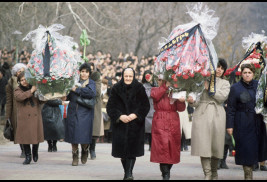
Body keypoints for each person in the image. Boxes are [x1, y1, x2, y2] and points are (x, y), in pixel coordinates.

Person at [187, 58, 230, 180]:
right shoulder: (202, 80)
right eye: (218, 67)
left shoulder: (225, 83)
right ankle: (207, 174)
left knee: (216, 145)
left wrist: (210, 89)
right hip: (202, 113)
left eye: (222, 68)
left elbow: (222, 97)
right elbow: (197, 100)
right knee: (203, 145)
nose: (219, 70)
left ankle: (214, 172)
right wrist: (192, 101)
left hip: (218, 114)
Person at [106, 67, 150, 180]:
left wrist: (135, 115)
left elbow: (145, 106)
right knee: (122, 153)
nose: (128, 78)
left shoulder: (139, 88)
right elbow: (110, 107)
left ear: (134, 76)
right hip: (120, 125)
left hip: (135, 125)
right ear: (122, 76)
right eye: (126, 76)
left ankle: (128, 174)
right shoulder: (116, 88)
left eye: (130, 76)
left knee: (132, 151)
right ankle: (127, 172)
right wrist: (120, 116)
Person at [226, 63, 267, 180]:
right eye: (245, 73)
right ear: (241, 74)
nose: (247, 75)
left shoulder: (259, 86)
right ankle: (248, 177)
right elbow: (231, 108)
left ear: (253, 73)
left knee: (257, 150)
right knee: (246, 151)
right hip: (242, 123)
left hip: (257, 122)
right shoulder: (235, 88)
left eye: (249, 73)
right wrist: (230, 125)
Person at [150, 75, 186, 180]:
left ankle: (167, 171)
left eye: (163, 80)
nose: (161, 82)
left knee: (172, 148)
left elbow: (181, 109)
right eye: (159, 80)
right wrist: (165, 87)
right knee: (162, 148)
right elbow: (155, 96)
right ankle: (165, 174)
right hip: (160, 120)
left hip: (173, 120)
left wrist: (181, 101)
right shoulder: (156, 89)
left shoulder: (176, 90)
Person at [64, 63, 96, 166]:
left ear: (89, 73)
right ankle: (74, 156)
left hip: (85, 112)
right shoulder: (73, 82)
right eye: (82, 71)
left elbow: (91, 93)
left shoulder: (91, 83)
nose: (84, 74)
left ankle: (85, 150)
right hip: (73, 111)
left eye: (86, 72)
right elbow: (68, 95)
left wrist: (77, 89)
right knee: (73, 135)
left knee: (83, 135)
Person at [14, 71, 44, 165]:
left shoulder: (34, 87)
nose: (24, 81)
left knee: (36, 136)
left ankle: (35, 151)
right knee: (25, 138)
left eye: (25, 79)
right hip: (24, 118)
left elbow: (41, 100)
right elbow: (20, 97)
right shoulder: (17, 90)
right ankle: (28, 156)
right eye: (21, 80)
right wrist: (31, 91)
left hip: (35, 116)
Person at [5, 63, 27, 158]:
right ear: (15, 73)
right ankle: (23, 149)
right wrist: (8, 116)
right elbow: (9, 101)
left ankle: (29, 149)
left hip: (27, 109)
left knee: (27, 130)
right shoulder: (11, 83)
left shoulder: (28, 80)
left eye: (23, 70)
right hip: (16, 111)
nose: (21, 72)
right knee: (19, 130)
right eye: (19, 71)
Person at [87, 62, 104, 160]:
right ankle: (85, 149)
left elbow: (96, 92)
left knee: (94, 130)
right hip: (83, 104)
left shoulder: (97, 78)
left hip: (94, 105)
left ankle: (92, 149)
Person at [141, 70, 155, 151]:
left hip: (155, 108)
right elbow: (147, 95)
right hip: (147, 109)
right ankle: (149, 145)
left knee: (154, 129)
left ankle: (153, 145)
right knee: (148, 129)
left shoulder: (156, 84)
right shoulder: (143, 86)